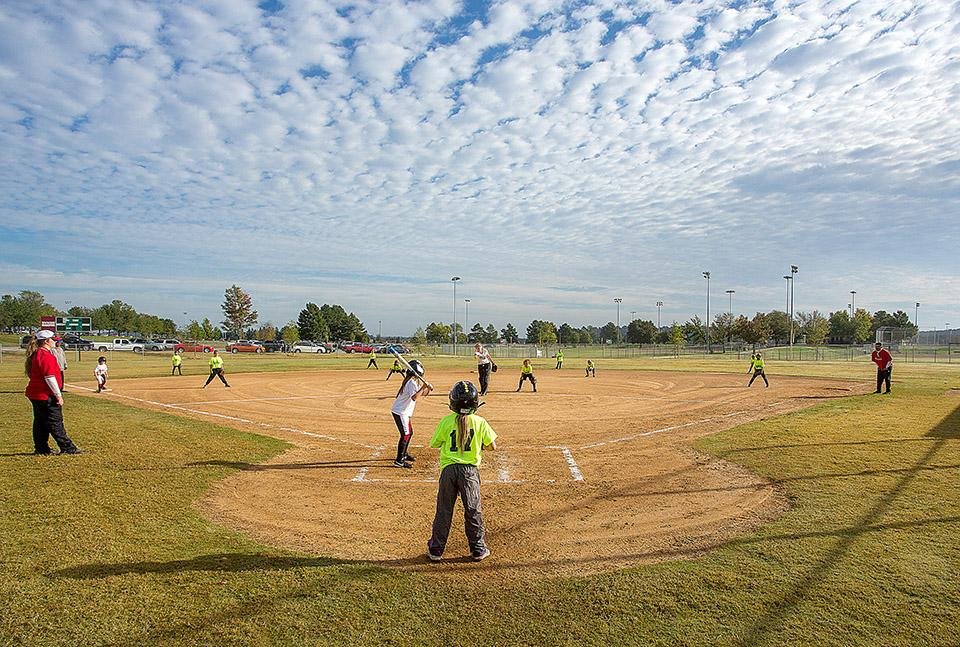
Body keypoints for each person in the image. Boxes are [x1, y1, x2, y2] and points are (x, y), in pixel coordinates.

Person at [427, 380, 496, 562]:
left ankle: (436, 550)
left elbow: (435, 443)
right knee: (473, 509)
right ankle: (478, 549)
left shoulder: (446, 421)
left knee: (444, 510)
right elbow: (492, 446)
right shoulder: (480, 422)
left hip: (448, 471)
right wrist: (478, 444)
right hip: (469, 472)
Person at [24, 330, 80, 455]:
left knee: (40, 422)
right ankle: (68, 448)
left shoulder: (38, 353)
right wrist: (58, 395)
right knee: (55, 421)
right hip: (45, 395)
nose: (55, 341)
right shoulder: (45, 355)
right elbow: (49, 377)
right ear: (46, 341)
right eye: (53, 339)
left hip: (37, 394)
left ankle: (41, 448)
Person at [390, 359, 432, 468]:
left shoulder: (411, 381)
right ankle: (399, 460)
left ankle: (404, 454)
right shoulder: (411, 383)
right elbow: (414, 397)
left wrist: (427, 389)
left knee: (409, 432)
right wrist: (424, 387)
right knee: (406, 434)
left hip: (403, 411)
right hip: (400, 412)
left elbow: (421, 393)